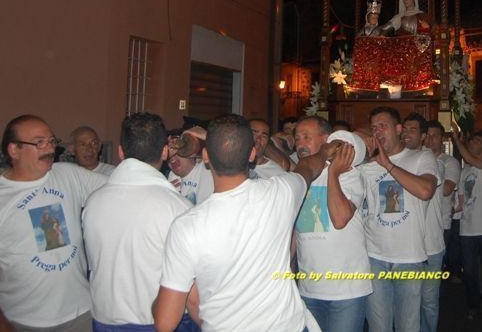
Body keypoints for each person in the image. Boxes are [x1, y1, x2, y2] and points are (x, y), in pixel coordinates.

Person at [153, 113, 337, 331]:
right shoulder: (280, 192)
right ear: (251, 155)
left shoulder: (186, 227)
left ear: (205, 156)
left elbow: (165, 322)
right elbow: (307, 167)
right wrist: (325, 150)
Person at [0, 115, 107, 331]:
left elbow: (119, 186)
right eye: (39, 143)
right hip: (22, 320)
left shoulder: (68, 174)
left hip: (80, 313)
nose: (49, 149)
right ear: (14, 150)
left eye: (51, 141)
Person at [83, 113, 193, 330]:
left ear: (121, 151)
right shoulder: (179, 208)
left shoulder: (93, 201)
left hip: (104, 319)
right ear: (164, 151)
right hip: (159, 322)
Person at [357, 106, 438, 332]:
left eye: (383, 126)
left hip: (409, 257)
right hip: (374, 257)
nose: (377, 131)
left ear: (399, 129)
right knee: (378, 327)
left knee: (408, 326)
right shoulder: (367, 167)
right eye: (374, 128)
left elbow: (425, 191)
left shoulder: (422, 156)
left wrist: (388, 165)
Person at [293, 116, 371, 332]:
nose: (300, 143)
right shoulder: (300, 176)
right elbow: (295, 230)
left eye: (307, 137)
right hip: (309, 287)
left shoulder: (349, 174)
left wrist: (334, 173)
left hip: (346, 289)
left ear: (326, 141)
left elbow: (340, 218)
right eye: (297, 138)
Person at [401, 113, 444, 332]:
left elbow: (425, 188)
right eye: (404, 128)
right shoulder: (398, 159)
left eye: (413, 130)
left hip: (430, 244)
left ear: (424, 136)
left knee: (427, 301)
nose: (406, 133)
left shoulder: (431, 162)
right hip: (406, 246)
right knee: (408, 304)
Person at [453, 127, 482, 318]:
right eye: (470, 140)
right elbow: (462, 201)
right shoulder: (465, 171)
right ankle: (473, 303)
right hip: (467, 229)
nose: (472, 143)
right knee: (470, 271)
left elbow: (471, 158)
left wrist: (457, 140)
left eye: (476, 142)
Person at [424, 121, 461, 280]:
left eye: (435, 136)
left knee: (433, 271)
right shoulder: (418, 158)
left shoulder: (449, 162)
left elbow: (446, 190)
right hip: (420, 221)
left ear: (441, 139)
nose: (431, 140)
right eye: (428, 136)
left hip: (441, 222)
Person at [167, 127, 214, 205]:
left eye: (176, 150)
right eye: (169, 153)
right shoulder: (172, 176)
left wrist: (207, 136)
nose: (172, 157)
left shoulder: (207, 167)